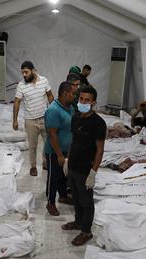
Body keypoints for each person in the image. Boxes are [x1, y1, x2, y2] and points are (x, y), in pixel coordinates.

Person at [61, 85, 106, 246]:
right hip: (73, 167)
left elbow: (100, 149)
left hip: (85, 170)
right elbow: (74, 141)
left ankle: (86, 232)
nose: (83, 102)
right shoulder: (76, 118)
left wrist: (93, 172)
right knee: (77, 199)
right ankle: (78, 222)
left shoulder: (98, 123)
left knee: (86, 202)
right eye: (81, 99)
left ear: (93, 102)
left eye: (87, 100)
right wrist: (67, 159)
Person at [13, 61, 54, 176]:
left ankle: (46, 163)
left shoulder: (44, 81)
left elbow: (50, 95)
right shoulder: (21, 85)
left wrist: (53, 112)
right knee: (32, 146)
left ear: (33, 70)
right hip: (30, 121)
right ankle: (33, 166)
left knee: (48, 143)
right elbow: (17, 102)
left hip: (45, 118)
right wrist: (14, 120)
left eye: (26, 72)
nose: (24, 75)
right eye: (22, 73)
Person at [44, 82, 76, 216]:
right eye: (73, 94)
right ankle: (50, 202)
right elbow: (52, 135)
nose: (75, 96)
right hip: (54, 152)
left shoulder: (69, 107)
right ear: (65, 94)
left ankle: (63, 196)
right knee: (54, 177)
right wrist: (59, 155)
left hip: (66, 150)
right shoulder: (53, 110)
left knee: (63, 176)